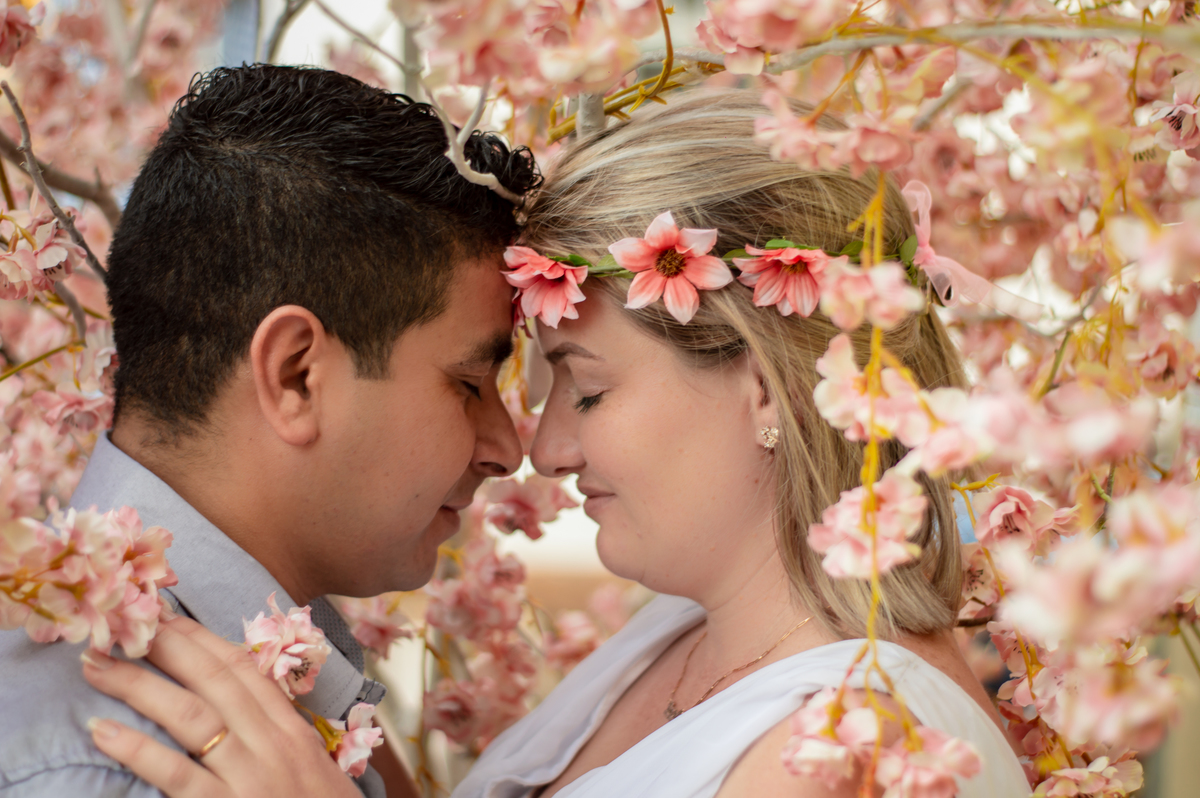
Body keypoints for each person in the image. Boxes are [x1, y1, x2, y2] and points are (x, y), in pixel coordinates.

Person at [80, 89, 1029, 797]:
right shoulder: (675, 634)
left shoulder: (849, 752)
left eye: (589, 388)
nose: (545, 449)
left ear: (765, 384)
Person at [0, 64, 538, 798]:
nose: (508, 449)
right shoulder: (105, 766)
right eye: (469, 385)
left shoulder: (280, 679)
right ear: (295, 375)